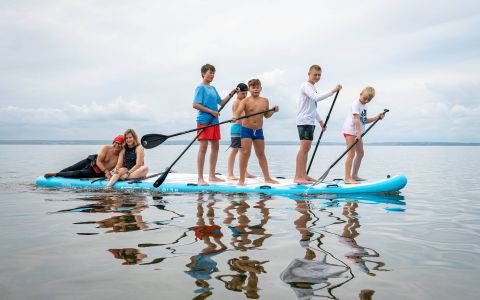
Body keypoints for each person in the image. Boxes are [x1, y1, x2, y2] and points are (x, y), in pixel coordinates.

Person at [294, 65, 342, 184]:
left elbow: (313, 108)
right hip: (304, 121)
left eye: (319, 75)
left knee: (307, 148)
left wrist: (321, 122)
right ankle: (297, 177)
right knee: (304, 148)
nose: (317, 77)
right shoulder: (305, 86)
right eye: (315, 74)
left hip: (310, 121)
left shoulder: (313, 87)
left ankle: (304, 175)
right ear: (309, 74)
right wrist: (332, 91)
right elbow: (316, 98)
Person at [193, 63, 236, 186]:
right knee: (203, 147)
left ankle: (212, 175)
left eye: (213, 73)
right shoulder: (200, 88)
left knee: (216, 147)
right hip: (204, 121)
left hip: (215, 122)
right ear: (203, 73)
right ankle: (200, 178)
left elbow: (221, 102)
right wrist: (211, 111)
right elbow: (195, 104)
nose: (212, 75)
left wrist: (232, 93)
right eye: (209, 72)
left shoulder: (213, 88)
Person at [235, 79, 279, 186]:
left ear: (261, 88)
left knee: (261, 154)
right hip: (246, 130)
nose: (255, 89)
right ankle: (241, 180)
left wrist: (273, 111)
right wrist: (235, 117)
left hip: (258, 130)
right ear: (249, 89)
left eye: (257, 87)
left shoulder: (265, 100)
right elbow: (238, 112)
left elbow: (267, 115)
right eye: (253, 87)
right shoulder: (245, 101)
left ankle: (267, 178)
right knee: (245, 154)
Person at [342, 86, 385, 184]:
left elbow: (364, 120)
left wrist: (377, 117)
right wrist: (358, 133)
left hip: (357, 133)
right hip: (350, 131)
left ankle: (354, 175)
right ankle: (347, 178)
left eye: (368, 100)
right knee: (351, 154)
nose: (366, 101)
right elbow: (356, 119)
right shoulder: (355, 104)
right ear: (360, 94)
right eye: (365, 98)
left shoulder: (365, 106)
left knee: (360, 153)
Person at [44, 135, 124, 179]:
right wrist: (107, 171)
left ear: (122, 145)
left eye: (120, 143)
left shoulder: (121, 155)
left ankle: (57, 174)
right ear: (113, 142)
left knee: (78, 173)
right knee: (72, 168)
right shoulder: (106, 148)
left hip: (96, 172)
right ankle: (57, 174)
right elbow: (98, 161)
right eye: (115, 142)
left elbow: (118, 166)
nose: (117, 145)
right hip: (91, 161)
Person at [227, 83, 255, 180]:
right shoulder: (237, 102)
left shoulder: (244, 102)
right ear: (238, 92)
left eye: (246, 93)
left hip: (244, 128)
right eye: (243, 93)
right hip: (237, 128)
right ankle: (230, 174)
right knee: (234, 150)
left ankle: (245, 172)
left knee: (243, 151)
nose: (245, 95)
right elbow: (238, 116)